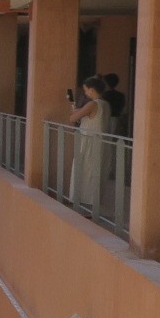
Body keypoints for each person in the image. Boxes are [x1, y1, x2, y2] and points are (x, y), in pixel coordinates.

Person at [67, 77, 112, 215]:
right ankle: (91, 207)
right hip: (100, 142)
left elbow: (72, 118)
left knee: (84, 172)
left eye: (86, 90)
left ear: (92, 90)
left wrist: (75, 111)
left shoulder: (92, 104)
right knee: (95, 173)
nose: (85, 93)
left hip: (89, 143)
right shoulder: (105, 104)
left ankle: (84, 208)